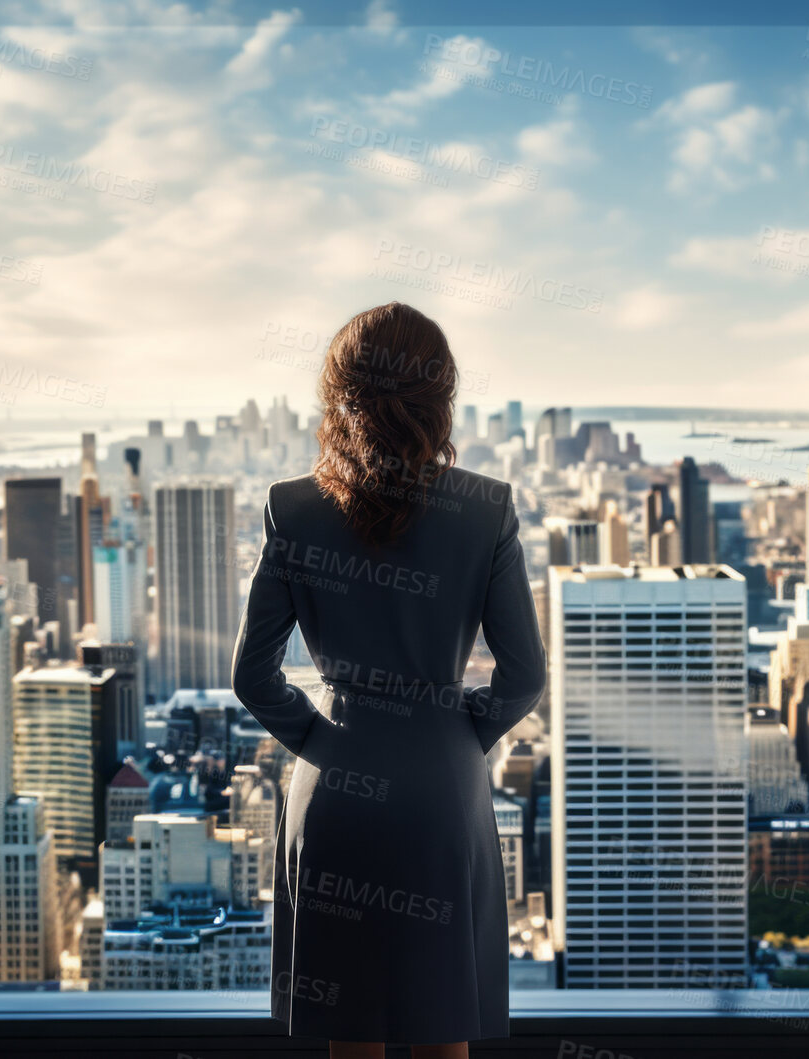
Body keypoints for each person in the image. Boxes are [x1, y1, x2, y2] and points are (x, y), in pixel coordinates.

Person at [231, 301, 547, 1059]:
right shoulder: (486, 508)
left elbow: (252, 675)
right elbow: (524, 675)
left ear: (336, 392)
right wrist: (452, 731)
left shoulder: (292, 508)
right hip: (442, 790)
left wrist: (324, 739)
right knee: (444, 1034)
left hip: (336, 791)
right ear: (440, 396)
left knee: (352, 1037)